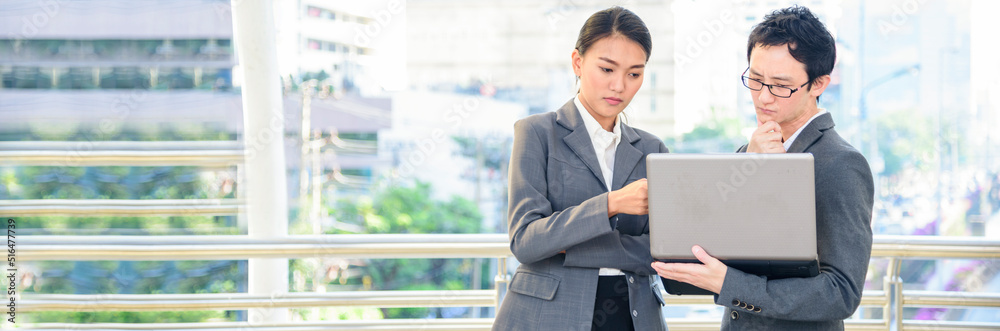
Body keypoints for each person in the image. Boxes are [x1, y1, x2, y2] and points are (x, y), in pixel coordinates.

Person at [651, 6, 874, 330]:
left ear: (819, 84)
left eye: (781, 86)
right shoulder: (748, 151)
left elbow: (841, 293)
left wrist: (730, 284)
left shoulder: (841, 164)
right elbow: (718, 237)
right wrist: (747, 166)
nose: (763, 97)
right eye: (755, 80)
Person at [493, 6, 668, 331]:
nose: (619, 86)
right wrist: (610, 205)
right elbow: (527, 242)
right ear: (577, 62)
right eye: (607, 69)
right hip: (550, 316)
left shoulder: (652, 150)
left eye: (634, 73)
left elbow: (659, 254)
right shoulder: (536, 133)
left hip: (635, 315)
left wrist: (566, 246)